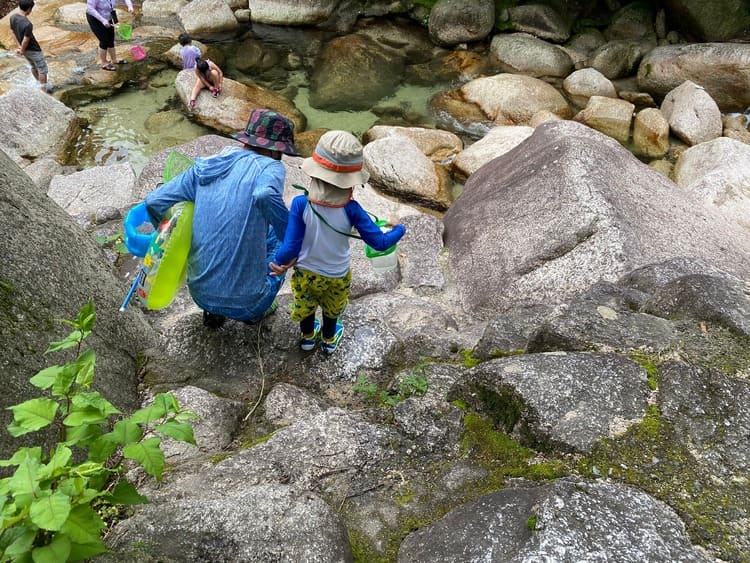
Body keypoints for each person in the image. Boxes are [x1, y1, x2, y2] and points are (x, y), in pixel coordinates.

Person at [144, 109, 299, 327]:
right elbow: (264, 194)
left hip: (200, 295)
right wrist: (292, 243)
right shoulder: (270, 166)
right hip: (250, 303)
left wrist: (170, 239)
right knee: (285, 232)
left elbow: (153, 202)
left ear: (246, 140)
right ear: (276, 151)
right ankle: (254, 312)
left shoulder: (205, 167)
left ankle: (213, 312)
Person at [270, 131, 406, 353]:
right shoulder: (352, 210)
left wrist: (278, 263)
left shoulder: (299, 204)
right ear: (350, 182)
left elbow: (290, 247)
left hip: (306, 273)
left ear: (314, 174)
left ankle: (306, 338)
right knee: (332, 309)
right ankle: (329, 340)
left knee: (306, 306)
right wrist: (400, 229)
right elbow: (380, 243)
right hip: (336, 274)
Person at [10, 0, 51, 93]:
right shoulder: (27, 24)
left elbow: (12, 32)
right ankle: (44, 90)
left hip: (24, 50)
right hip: (33, 49)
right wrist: (22, 49)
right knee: (42, 69)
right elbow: (26, 39)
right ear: (29, 9)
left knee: (33, 66)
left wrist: (19, 48)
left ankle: (38, 84)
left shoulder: (13, 17)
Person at [86, 0, 133, 71]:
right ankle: (104, 63)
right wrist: (103, 20)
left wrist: (130, 6)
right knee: (104, 40)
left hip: (108, 16)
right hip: (95, 18)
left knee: (111, 39)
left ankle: (114, 60)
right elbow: (90, 9)